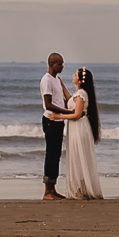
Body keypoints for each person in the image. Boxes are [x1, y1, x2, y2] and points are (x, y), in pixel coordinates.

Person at [47, 66, 102, 200]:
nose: (73, 76)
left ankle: (82, 189)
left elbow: (77, 114)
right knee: (79, 157)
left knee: (79, 156)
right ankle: (82, 188)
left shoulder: (81, 95)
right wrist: (62, 85)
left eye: (75, 75)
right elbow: (70, 99)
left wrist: (58, 116)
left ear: (80, 80)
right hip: (77, 128)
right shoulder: (79, 94)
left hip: (79, 128)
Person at [40, 52, 70, 200]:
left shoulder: (57, 79)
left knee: (56, 155)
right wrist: (67, 112)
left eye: (62, 63)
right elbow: (49, 104)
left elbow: (61, 100)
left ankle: (53, 188)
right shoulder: (47, 80)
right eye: (60, 64)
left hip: (59, 121)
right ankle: (47, 191)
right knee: (51, 155)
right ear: (52, 65)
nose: (62, 66)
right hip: (51, 121)